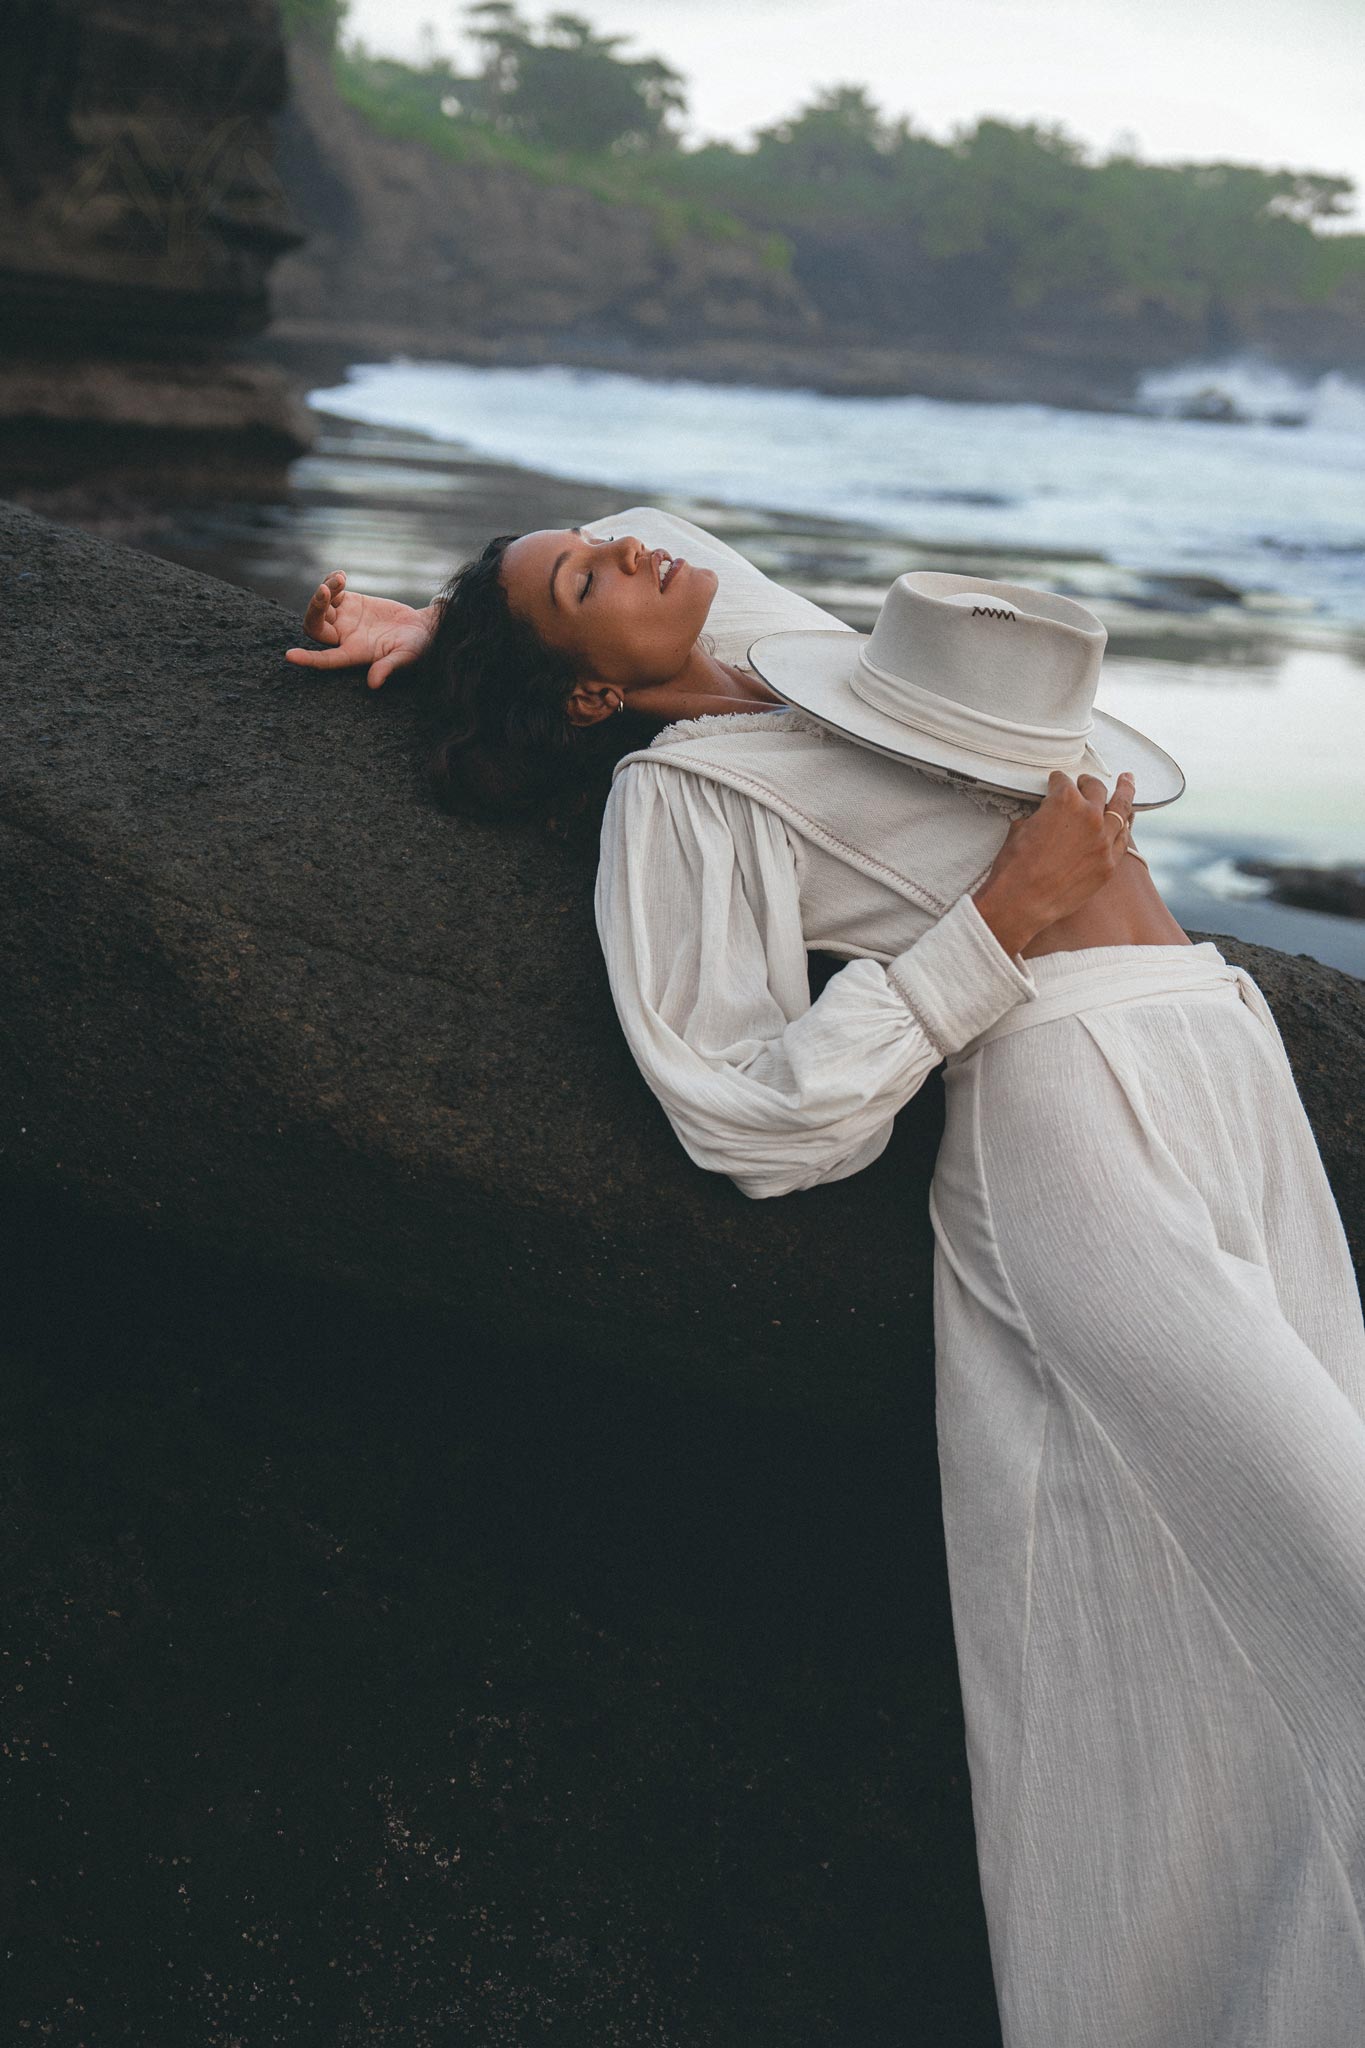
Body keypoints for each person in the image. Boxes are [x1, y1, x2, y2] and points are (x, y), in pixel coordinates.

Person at [288, 506, 1365, 2048]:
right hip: (1070, 1119)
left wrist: (441, 626)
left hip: (1219, 1056)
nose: (632, 548)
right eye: (589, 577)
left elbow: (648, 553)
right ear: (587, 694)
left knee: (1291, 1601)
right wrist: (1005, 910)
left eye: (596, 538)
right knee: (1336, 1568)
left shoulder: (785, 653)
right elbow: (745, 1120)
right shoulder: (678, 796)